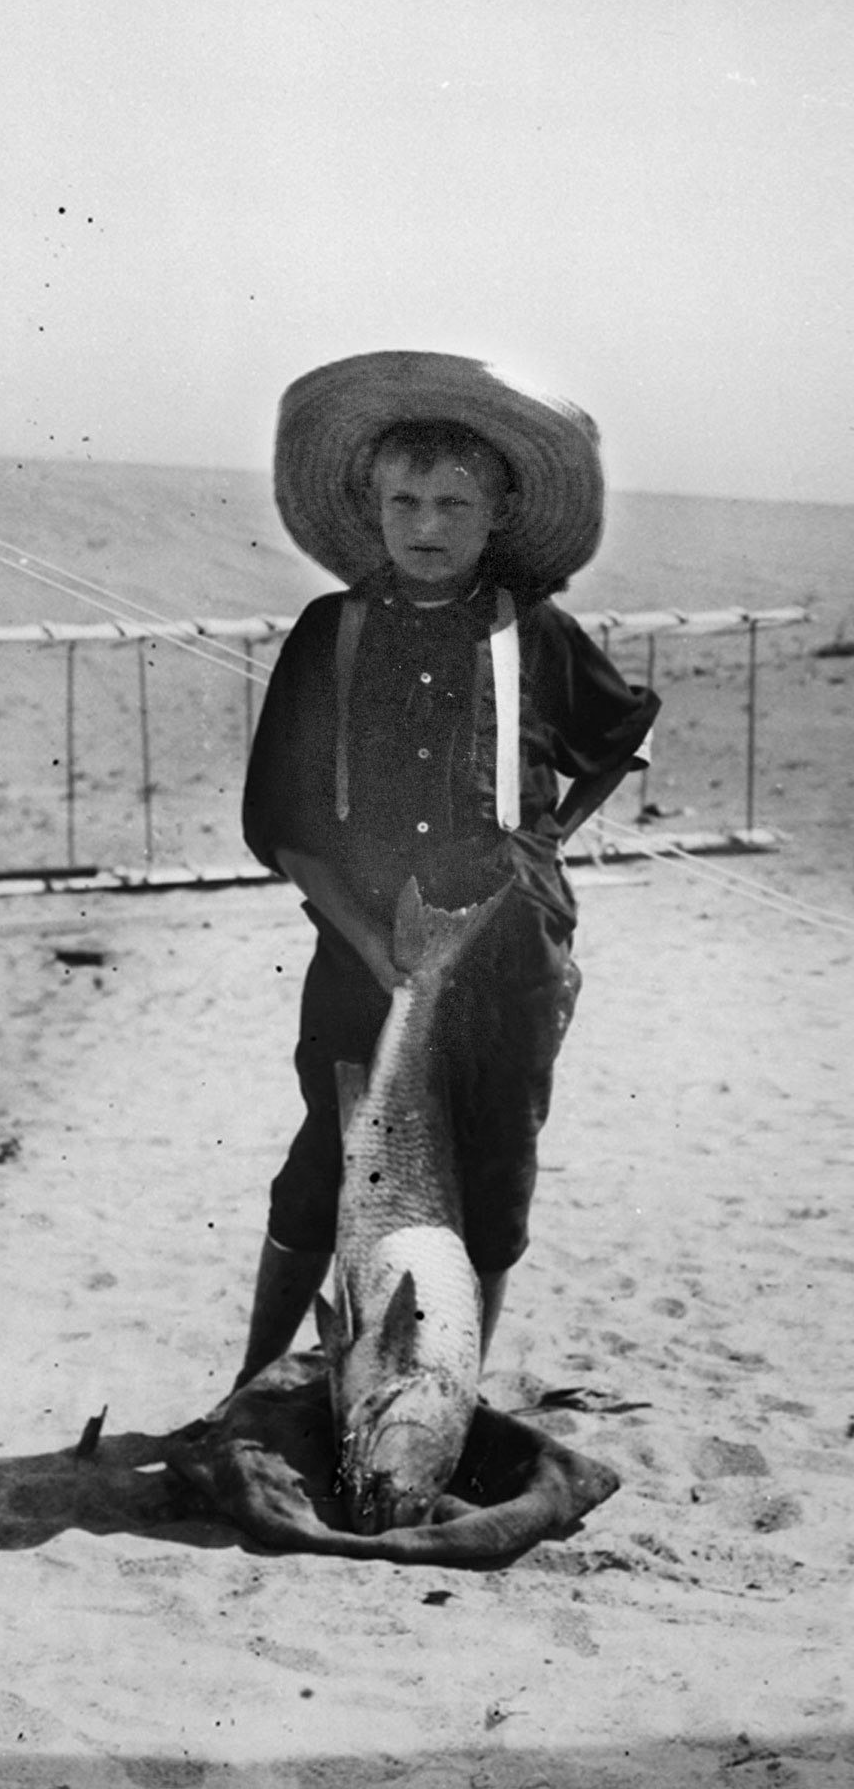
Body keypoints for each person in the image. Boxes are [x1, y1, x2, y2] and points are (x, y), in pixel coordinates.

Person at [235, 350, 660, 1391]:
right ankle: (251, 1378)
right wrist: (370, 942)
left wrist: (545, 844)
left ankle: (447, 1390)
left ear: (498, 513)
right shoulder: (329, 633)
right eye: (405, 503)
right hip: (359, 950)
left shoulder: (537, 634)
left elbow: (619, 740)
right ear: (372, 508)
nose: (426, 526)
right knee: (329, 1163)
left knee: (497, 1169)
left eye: (454, 505)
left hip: (509, 955)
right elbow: (283, 823)